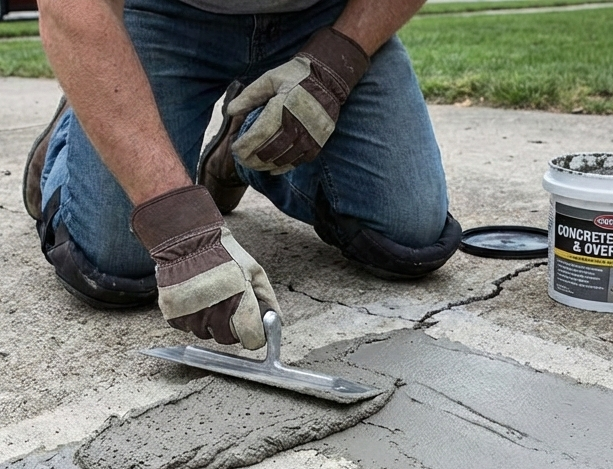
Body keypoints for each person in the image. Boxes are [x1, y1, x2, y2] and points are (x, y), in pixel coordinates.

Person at [25, 0, 460, 350]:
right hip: (161, 13)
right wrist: (177, 224)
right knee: (115, 265)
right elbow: (71, 8)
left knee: (409, 236)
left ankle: (246, 142)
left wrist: (337, 62)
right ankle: (85, 119)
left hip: (322, 15)